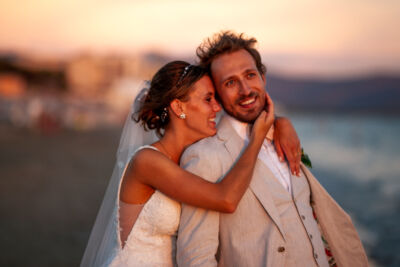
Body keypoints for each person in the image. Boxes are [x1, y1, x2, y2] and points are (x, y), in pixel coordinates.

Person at [177, 31, 369, 267]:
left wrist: (280, 121)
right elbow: (195, 258)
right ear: (216, 93)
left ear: (263, 77)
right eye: (230, 83)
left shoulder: (282, 137)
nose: (246, 90)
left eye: (250, 75)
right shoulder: (205, 156)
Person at [81, 60, 299, 266]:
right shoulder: (147, 161)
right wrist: (257, 139)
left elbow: (237, 124)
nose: (217, 108)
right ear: (178, 107)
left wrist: (281, 122)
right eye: (208, 99)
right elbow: (226, 199)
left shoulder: (192, 159)